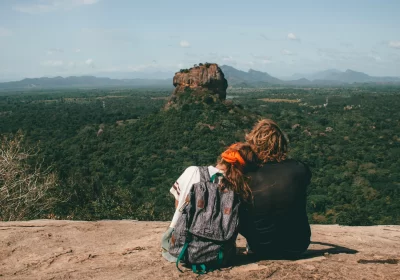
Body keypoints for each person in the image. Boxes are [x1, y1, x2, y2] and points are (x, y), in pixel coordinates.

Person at [161, 142, 258, 262]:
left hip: (180, 248)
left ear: (223, 157)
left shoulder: (193, 171)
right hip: (220, 253)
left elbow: (178, 206)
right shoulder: (240, 188)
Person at [240, 119, 312, 259]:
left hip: (260, 247)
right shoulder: (300, 169)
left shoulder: (247, 175)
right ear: (282, 143)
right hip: (297, 245)